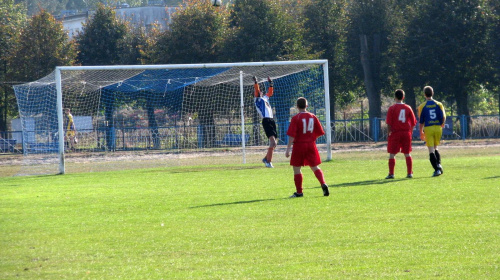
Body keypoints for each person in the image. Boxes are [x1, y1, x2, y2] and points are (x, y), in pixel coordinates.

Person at [285, 97, 329, 198]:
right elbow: (320, 132)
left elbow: (292, 135)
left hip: (299, 145)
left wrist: (288, 148)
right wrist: (311, 138)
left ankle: (299, 192)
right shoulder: (313, 116)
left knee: (296, 168)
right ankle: (323, 183)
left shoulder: (296, 118)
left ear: (297, 106)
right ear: (307, 106)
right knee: (314, 166)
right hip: (310, 144)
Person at [385, 89, 417, 179]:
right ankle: (409, 173)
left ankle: (391, 173)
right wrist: (410, 132)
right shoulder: (408, 108)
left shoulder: (392, 108)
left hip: (395, 133)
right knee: (407, 153)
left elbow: (389, 123)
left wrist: (389, 133)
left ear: (395, 97)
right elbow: (413, 122)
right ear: (403, 97)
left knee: (392, 153)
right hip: (405, 133)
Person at [418, 86, 446, 177]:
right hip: (438, 127)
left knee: (431, 150)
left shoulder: (422, 106)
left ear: (424, 94)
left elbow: (421, 120)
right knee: (436, 147)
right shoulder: (439, 104)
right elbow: (443, 117)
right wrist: (442, 123)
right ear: (432, 93)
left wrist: (421, 132)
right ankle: (439, 165)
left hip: (428, 128)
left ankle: (437, 169)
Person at [253, 76, 277, 168]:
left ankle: (266, 158)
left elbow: (270, 92)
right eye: (258, 92)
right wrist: (256, 82)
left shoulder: (265, 98)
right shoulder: (257, 100)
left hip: (271, 120)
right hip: (266, 120)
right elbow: (257, 90)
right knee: (272, 142)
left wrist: (271, 83)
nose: (260, 92)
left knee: (275, 143)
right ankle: (268, 162)